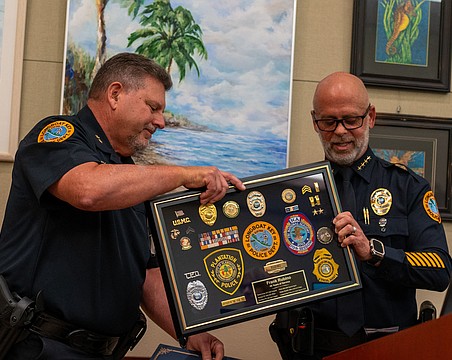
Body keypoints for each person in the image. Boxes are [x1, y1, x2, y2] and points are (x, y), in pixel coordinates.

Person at [0, 52, 246, 359]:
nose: (160, 121)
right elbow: (88, 190)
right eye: (153, 107)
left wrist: (189, 332)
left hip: (106, 350)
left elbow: (143, 272)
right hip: (40, 345)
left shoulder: (130, 173)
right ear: (115, 94)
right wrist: (184, 173)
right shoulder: (56, 137)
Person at [270, 72, 451, 359]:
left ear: (371, 117)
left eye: (351, 120)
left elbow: (440, 270)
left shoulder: (408, 188)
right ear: (315, 122)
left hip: (388, 349)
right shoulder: (292, 193)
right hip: (311, 349)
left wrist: (374, 252)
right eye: (329, 122)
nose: (340, 131)